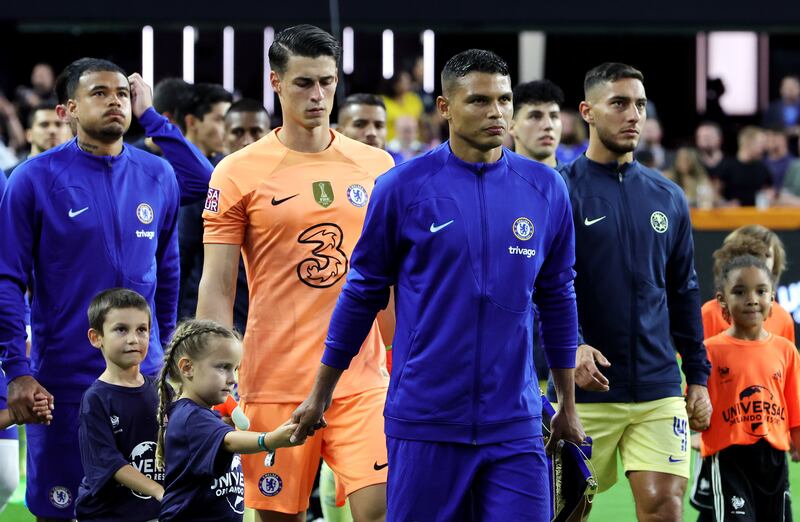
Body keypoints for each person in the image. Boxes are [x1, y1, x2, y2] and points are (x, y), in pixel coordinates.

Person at [291, 48, 585, 522]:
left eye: (505, 100)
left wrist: (567, 404)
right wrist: (322, 391)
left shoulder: (545, 188)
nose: (497, 113)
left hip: (515, 425)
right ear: (445, 107)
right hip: (424, 422)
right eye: (479, 101)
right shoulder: (402, 187)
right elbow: (362, 293)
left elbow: (558, 297)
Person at [197, 25, 393, 522]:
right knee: (281, 519)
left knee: (386, 509)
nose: (319, 95)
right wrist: (210, 371)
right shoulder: (238, 171)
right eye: (304, 83)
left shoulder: (377, 166)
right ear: (276, 83)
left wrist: (401, 359)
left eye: (327, 82)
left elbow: (390, 282)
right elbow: (219, 284)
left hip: (362, 379)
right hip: (274, 381)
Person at [0, 57, 180, 521]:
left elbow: (168, 272)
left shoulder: (159, 175)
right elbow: (7, 279)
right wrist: (17, 370)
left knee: (149, 507)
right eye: (99, 93)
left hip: (145, 381)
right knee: (61, 509)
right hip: (63, 381)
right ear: (69, 110)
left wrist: (162, 354)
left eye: (122, 92)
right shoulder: (33, 179)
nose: (115, 101)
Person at [554, 62, 711, 522]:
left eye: (640, 105)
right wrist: (573, 346)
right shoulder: (561, 190)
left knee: (665, 506)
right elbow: (545, 288)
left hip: (658, 387)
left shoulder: (668, 195)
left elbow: (684, 292)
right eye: (619, 103)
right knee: (565, 511)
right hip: (583, 389)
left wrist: (697, 377)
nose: (633, 115)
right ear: (587, 111)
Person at [156, 319, 302, 522]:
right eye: (223, 367)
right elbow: (229, 440)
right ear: (187, 368)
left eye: (235, 369)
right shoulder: (190, 416)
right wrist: (269, 440)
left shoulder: (204, 416)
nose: (232, 379)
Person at [700, 255, 800, 521]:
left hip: (775, 459)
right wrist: (695, 419)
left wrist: (797, 441)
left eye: (761, 291)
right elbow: (696, 402)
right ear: (722, 300)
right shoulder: (709, 351)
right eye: (740, 291)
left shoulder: (785, 350)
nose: (752, 299)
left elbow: (795, 403)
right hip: (730, 457)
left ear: (773, 298)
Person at [75, 288, 164, 521]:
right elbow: (110, 463)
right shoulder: (95, 399)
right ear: (96, 338)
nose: (133, 339)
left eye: (142, 330)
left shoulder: (162, 390)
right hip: (107, 514)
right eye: (121, 329)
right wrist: (157, 489)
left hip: (152, 512)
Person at [701, 225, 794, 343]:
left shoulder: (783, 318)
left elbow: (787, 359)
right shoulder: (710, 314)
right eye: (754, 253)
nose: (759, 260)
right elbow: (699, 358)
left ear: (775, 263)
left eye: (767, 255)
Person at [6, 102, 72, 176]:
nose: (52, 130)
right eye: (44, 125)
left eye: (58, 124)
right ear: (29, 135)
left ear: (69, 133)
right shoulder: (8, 177)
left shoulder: (79, 173)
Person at [509, 79, 564, 168]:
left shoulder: (578, 180)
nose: (548, 125)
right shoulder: (493, 180)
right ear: (511, 127)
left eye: (554, 116)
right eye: (535, 116)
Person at [718, 126, 772, 207]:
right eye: (760, 143)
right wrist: (724, 204)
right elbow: (715, 193)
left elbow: (769, 191)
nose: (764, 148)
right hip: (731, 217)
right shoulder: (726, 166)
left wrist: (770, 196)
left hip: (758, 216)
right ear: (747, 142)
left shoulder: (762, 168)